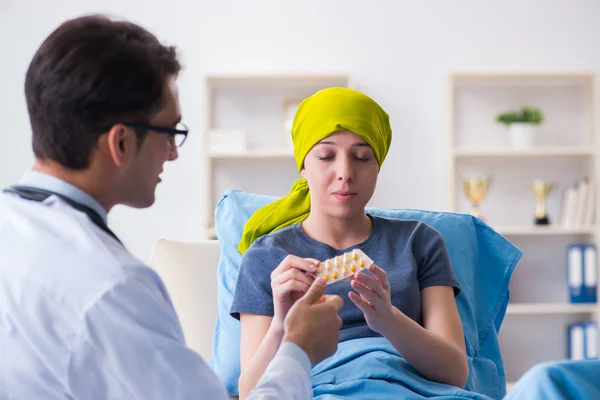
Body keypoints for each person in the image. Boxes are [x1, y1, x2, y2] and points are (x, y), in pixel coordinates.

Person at [0, 14, 344, 399]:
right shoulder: (112, 288)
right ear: (122, 143)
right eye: (171, 132)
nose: (173, 154)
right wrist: (297, 349)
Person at [231, 87, 470, 399]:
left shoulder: (420, 242)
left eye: (361, 157)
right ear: (303, 165)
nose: (344, 173)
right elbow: (251, 392)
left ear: (378, 165)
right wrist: (283, 325)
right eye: (326, 156)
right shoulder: (267, 258)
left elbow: (456, 373)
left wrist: (388, 320)